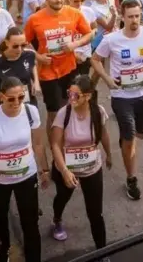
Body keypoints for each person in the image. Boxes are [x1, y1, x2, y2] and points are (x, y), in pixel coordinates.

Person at [91, 0, 143, 201]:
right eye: (130, 16)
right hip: (121, 96)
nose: (134, 20)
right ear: (123, 17)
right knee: (130, 140)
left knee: (140, 134)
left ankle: (126, 138)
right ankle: (132, 179)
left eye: (137, 16)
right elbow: (95, 59)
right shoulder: (111, 40)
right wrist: (106, 79)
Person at [0, 76, 50, 262]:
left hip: (27, 176)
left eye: (21, 97)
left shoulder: (31, 111)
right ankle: (4, 248)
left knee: (30, 222)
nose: (17, 102)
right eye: (11, 99)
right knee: (1, 218)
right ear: (1, 97)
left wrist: (45, 170)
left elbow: (38, 144)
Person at [49, 74, 112, 247]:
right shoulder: (64, 113)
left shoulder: (98, 112)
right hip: (66, 168)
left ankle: (102, 252)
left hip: (92, 168)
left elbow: (104, 134)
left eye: (76, 95)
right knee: (62, 197)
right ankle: (57, 219)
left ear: (88, 96)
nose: (71, 98)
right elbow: (55, 144)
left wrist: (109, 155)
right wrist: (64, 171)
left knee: (95, 213)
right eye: (69, 93)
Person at [25, 0, 93, 131]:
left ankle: (68, 140)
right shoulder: (34, 19)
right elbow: (24, 43)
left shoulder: (74, 13)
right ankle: (55, 147)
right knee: (54, 113)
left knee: (71, 106)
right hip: (48, 73)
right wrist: (38, 57)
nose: (59, 0)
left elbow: (89, 34)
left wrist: (75, 45)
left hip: (69, 69)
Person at [0, 28, 40, 108]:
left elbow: (32, 65)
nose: (20, 49)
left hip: (28, 106)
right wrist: (11, 97)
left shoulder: (29, 54)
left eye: (23, 45)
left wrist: (36, 82)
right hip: (6, 111)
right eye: (15, 46)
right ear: (7, 43)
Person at [66, 0, 98, 78]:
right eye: (76, 1)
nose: (79, 4)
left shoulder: (88, 11)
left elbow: (95, 28)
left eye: (82, 1)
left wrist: (92, 35)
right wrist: (74, 55)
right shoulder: (63, 13)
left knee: (83, 86)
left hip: (85, 55)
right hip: (70, 56)